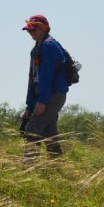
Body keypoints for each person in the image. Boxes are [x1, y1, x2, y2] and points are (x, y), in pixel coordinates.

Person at [20, 14, 69, 159]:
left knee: (31, 131)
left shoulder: (49, 46)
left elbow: (47, 77)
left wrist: (42, 101)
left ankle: (29, 170)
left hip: (52, 96)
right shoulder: (36, 49)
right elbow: (33, 79)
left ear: (42, 29)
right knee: (49, 134)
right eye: (29, 31)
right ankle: (57, 169)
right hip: (44, 95)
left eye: (32, 30)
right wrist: (30, 106)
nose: (30, 33)